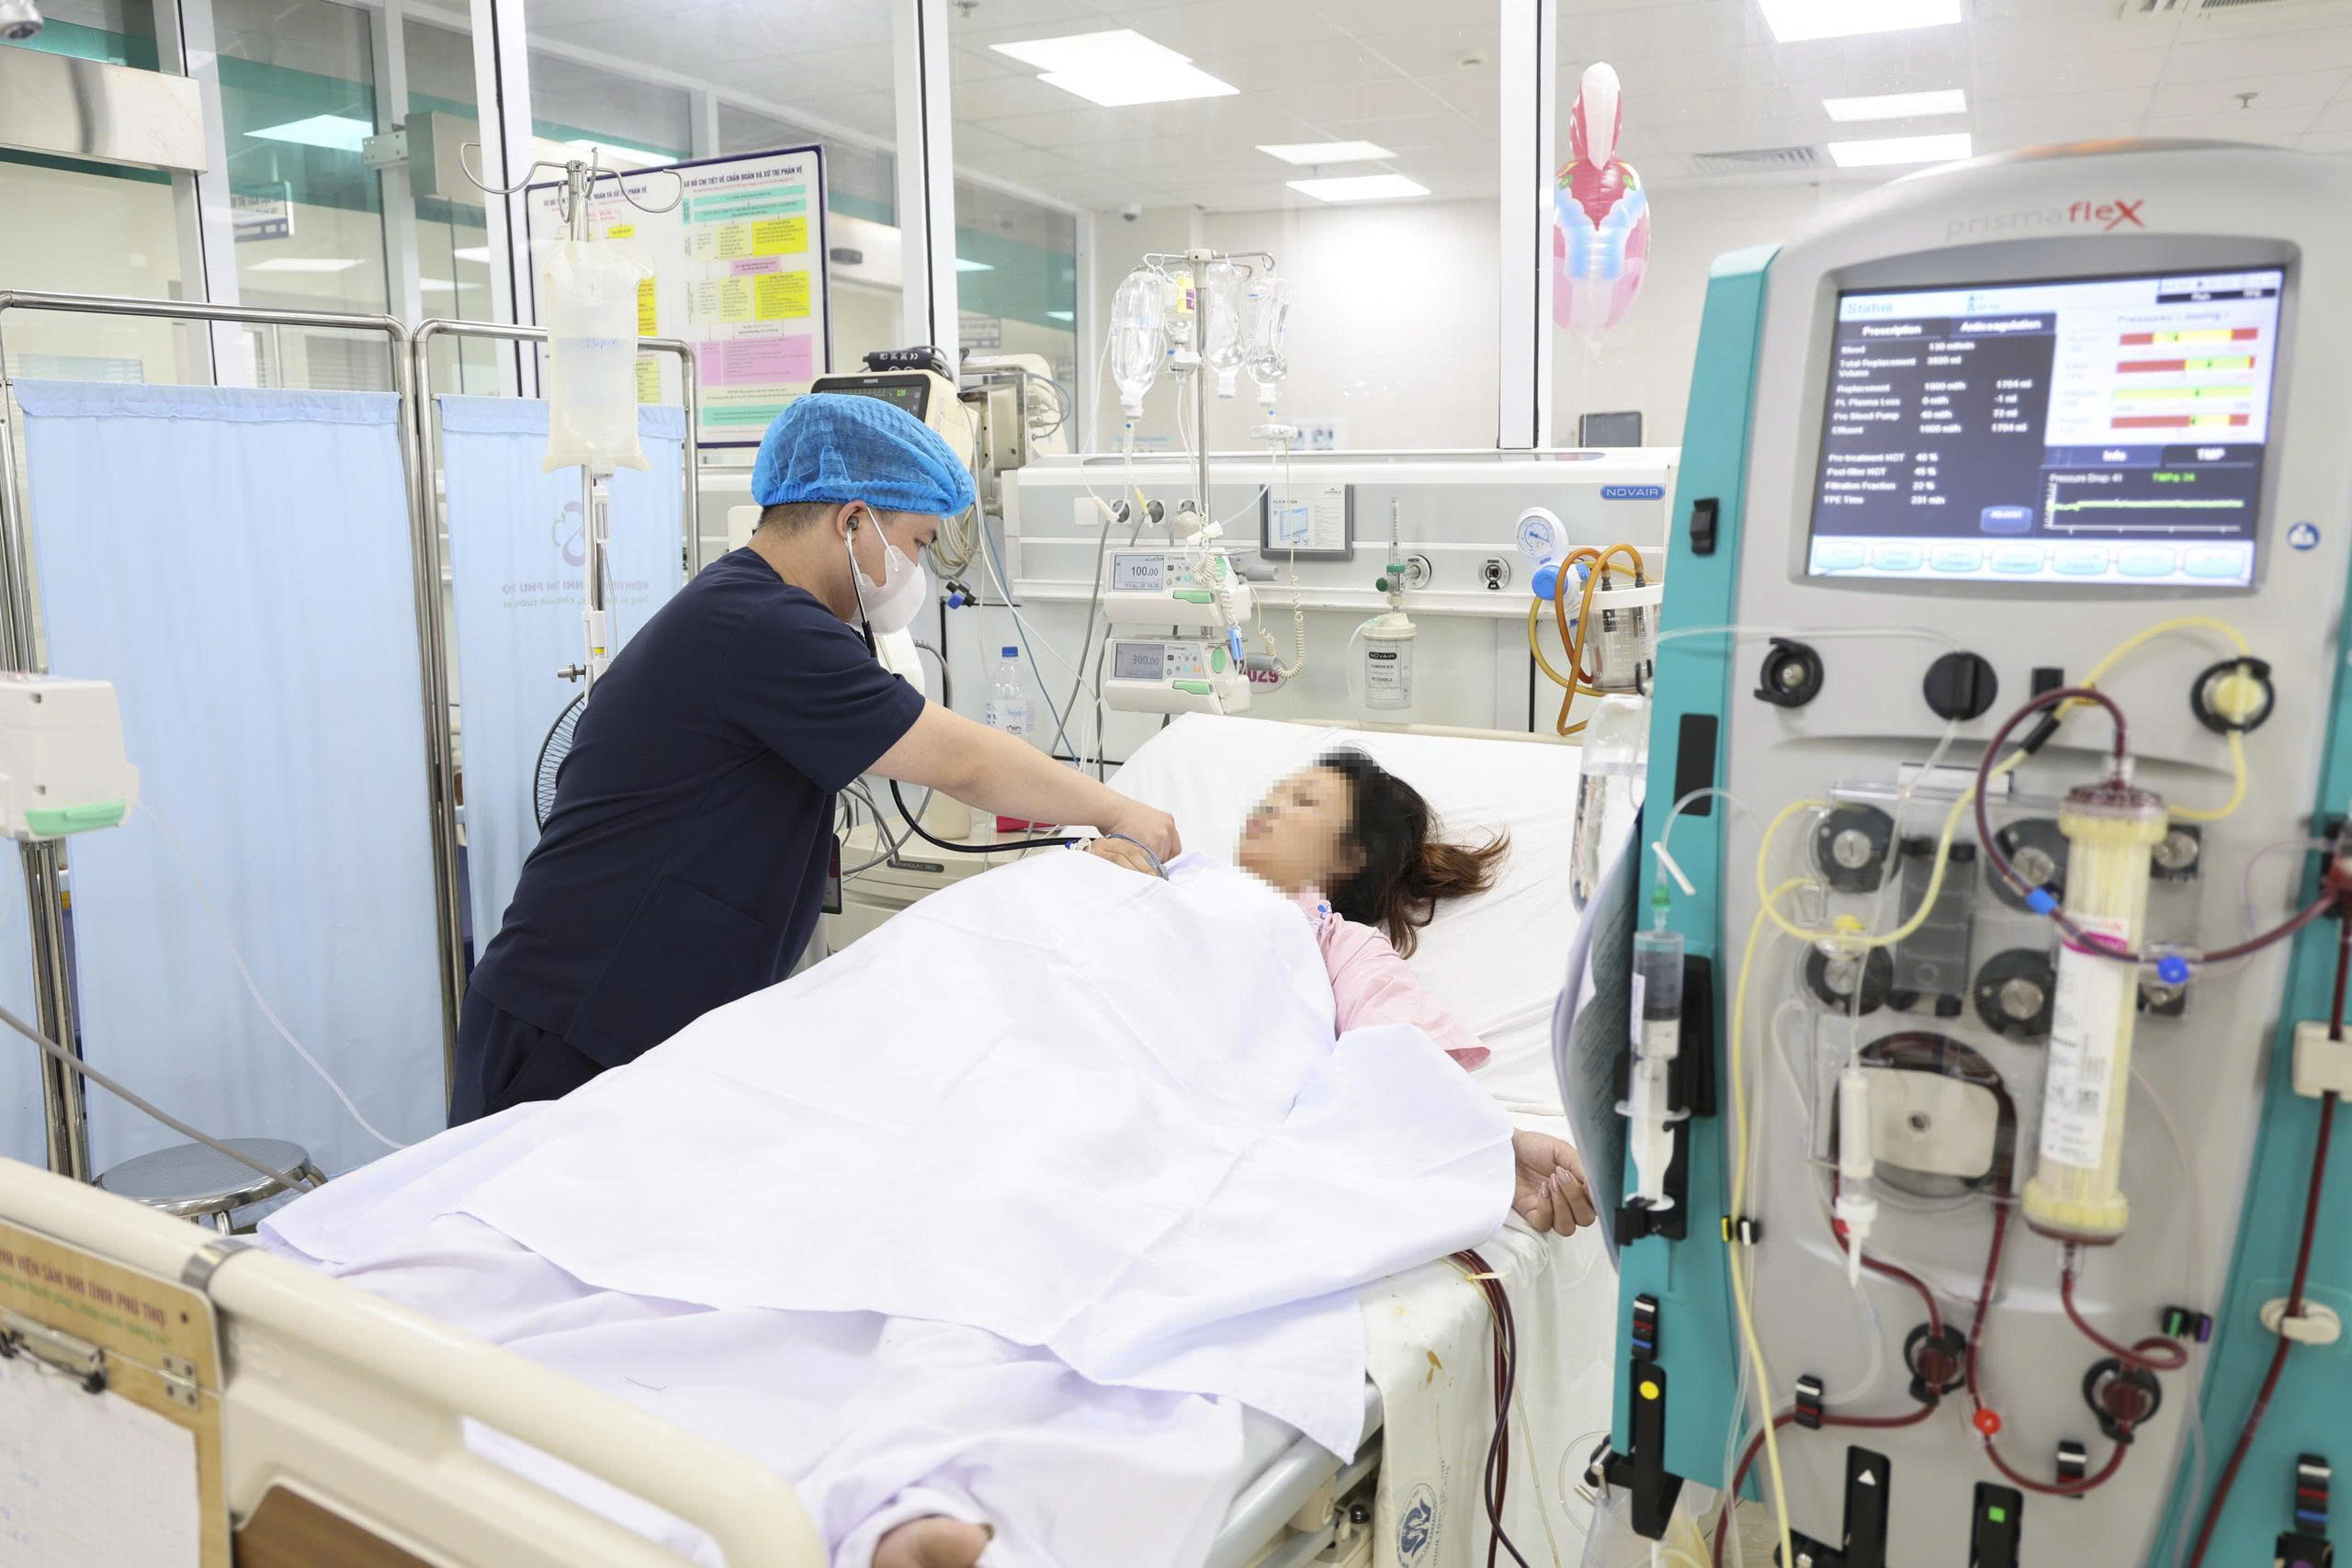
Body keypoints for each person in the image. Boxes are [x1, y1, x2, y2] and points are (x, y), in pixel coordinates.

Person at [449, 394, 1181, 1124]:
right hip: (566, 1033)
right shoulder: (761, 624)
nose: (917, 570)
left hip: (622, 1018)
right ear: (853, 521)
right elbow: (964, 762)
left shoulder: (750, 607)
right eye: (919, 543)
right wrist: (1115, 809)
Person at [1083, 750, 1601, 1237]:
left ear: (1350, 855)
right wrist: (1094, 863)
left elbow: (1402, 1061)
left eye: (1303, 801)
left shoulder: (1338, 943)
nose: (1271, 806)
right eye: (1277, 793)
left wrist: (1501, 1151)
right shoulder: (1181, 874)